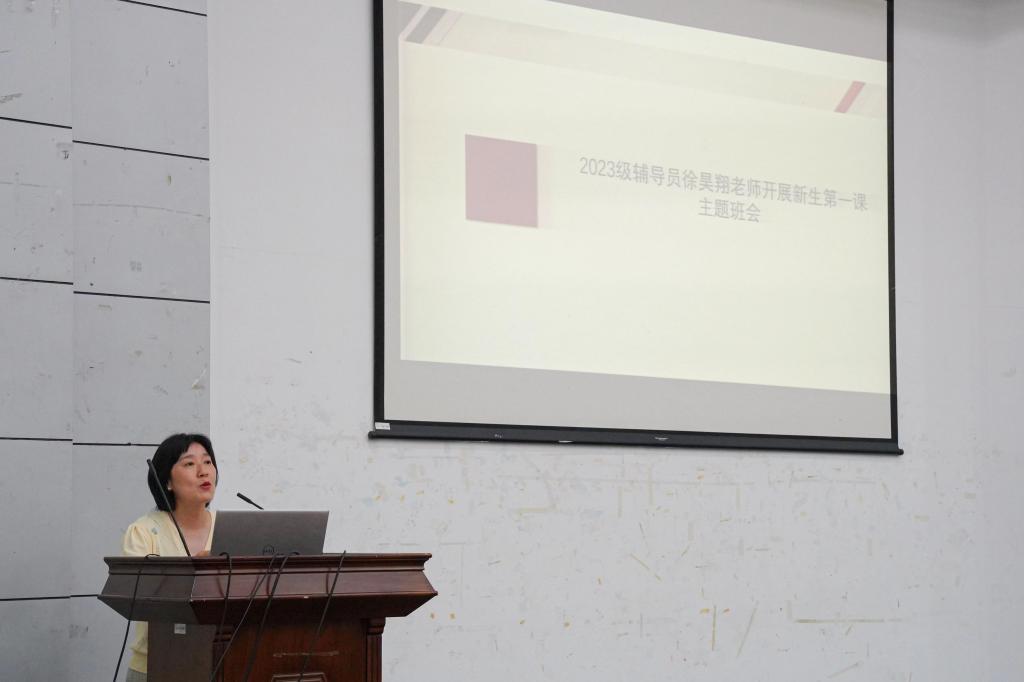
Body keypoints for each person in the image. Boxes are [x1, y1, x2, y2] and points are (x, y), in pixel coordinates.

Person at [121, 433, 219, 682]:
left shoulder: (229, 529)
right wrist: (193, 570)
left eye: (208, 462)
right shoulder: (143, 532)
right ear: (167, 482)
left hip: (221, 665)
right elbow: (140, 599)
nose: (203, 471)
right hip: (156, 665)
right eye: (190, 463)